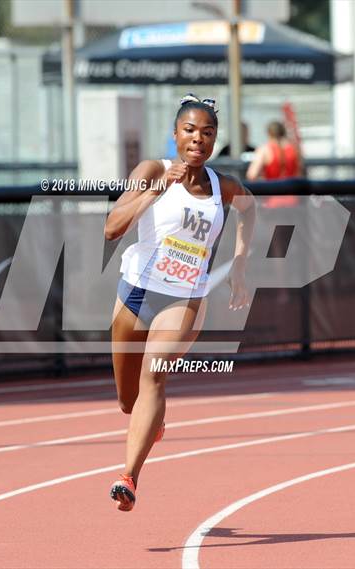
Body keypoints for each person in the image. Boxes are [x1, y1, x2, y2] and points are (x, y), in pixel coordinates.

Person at [104, 93, 256, 512]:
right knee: (127, 400)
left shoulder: (220, 187)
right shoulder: (151, 170)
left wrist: (240, 264)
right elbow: (112, 229)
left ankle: (128, 477)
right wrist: (153, 190)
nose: (198, 140)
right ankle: (152, 422)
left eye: (207, 133)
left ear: (214, 140)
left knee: (155, 373)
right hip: (135, 291)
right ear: (175, 135)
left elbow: (249, 206)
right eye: (190, 131)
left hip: (185, 296)